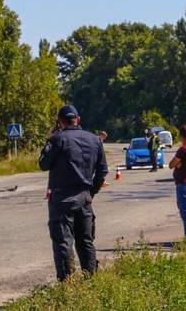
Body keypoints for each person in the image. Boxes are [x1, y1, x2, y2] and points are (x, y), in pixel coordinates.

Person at [39, 105, 108, 281]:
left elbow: (43, 164)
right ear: (78, 119)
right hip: (84, 197)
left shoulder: (58, 139)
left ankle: (67, 283)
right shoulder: (95, 140)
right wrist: (91, 192)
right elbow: (102, 171)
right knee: (85, 241)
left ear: (60, 121)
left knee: (63, 242)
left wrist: (50, 139)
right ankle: (91, 280)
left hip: (62, 199)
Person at [168, 124, 186, 237]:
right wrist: (179, 164)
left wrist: (178, 164)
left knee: (185, 213)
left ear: (181, 136)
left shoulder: (183, 149)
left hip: (184, 184)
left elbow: (171, 164)